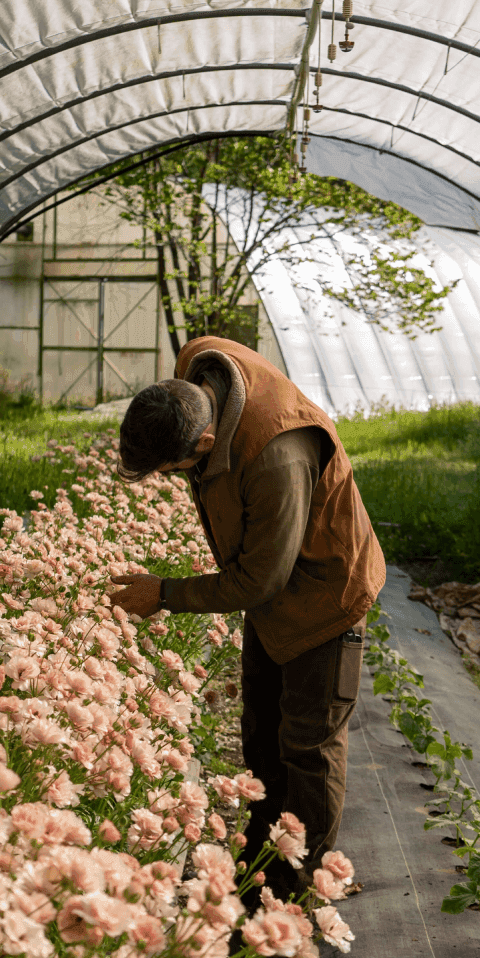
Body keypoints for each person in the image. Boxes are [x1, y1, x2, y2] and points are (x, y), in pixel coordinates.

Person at [109, 335, 385, 902]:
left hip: (323, 596)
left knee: (308, 749)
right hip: (272, 592)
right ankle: (257, 869)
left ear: (206, 440)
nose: (171, 479)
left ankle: (289, 903)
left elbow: (261, 580)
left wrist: (162, 593)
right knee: (262, 738)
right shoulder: (200, 367)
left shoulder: (276, 454)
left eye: (172, 468)